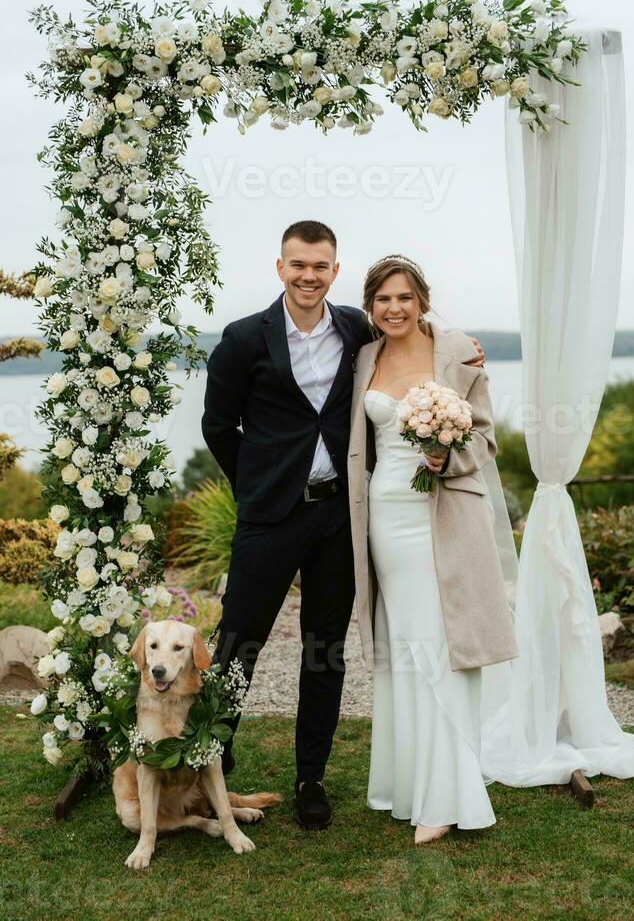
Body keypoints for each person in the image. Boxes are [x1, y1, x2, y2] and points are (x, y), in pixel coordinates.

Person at [201, 223, 486, 830]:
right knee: (236, 643)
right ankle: (211, 766)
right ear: (279, 266)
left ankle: (311, 778)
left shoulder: (356, 328)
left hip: (341, 517)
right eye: (299, 264)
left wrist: (466, 350)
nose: (309, 275)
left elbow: (414, 331)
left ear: (334, 271)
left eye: (321, 266)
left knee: (323, 652)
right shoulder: (242, 338)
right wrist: (258, 484)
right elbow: (219, 429)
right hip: (268, 517)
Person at [347, 254, 519, 844]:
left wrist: (450, 454)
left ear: (422, 300)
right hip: (384, 518)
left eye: (405, 298)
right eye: (383, 300)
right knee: (407, 647)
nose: (394, 309)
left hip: (442, 514)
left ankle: (448, 795)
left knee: (444, 646)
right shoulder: (363, 357)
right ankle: (409, 780)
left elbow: (487, 434)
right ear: (370, 306)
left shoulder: (458, 354)